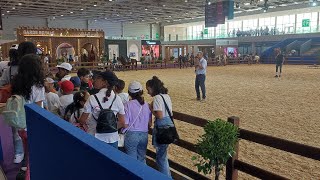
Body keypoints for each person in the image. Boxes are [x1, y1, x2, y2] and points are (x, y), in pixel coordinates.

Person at [11, 54, 45, 163]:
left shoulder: (16, 82)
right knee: (32, 149)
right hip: (30, 122)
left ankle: (19, 156)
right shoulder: (38, 86)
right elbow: (38, 109)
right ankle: (28, 167)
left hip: (17, 117)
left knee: (18, 138)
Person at [79, 71, 125, 147]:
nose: (94, 80)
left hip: (94, 137)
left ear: (105, 82)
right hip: (112, 138)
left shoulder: (92, 98)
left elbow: (82, 120)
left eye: (98, 78)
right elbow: (122, 122)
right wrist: (109, 127)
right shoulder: (118, 99)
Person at [146, 76, 173, 177]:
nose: (148, 92)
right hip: (169, 127)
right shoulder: (166, 96)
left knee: (161, 158)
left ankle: (165, 177)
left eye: (148, 89)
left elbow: (159, 115)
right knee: (163, 155)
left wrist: (150, 109)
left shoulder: (157, 98)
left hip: (162, 129)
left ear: (153, 88)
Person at [123, 81, 152, 163]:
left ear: (129, 93)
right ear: (141, 91)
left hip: (132, 135)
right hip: (144, 135)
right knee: (142, 159)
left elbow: (125, 124)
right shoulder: (147, 105)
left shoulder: (127, 105)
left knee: (131, 161)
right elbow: (150, 124)